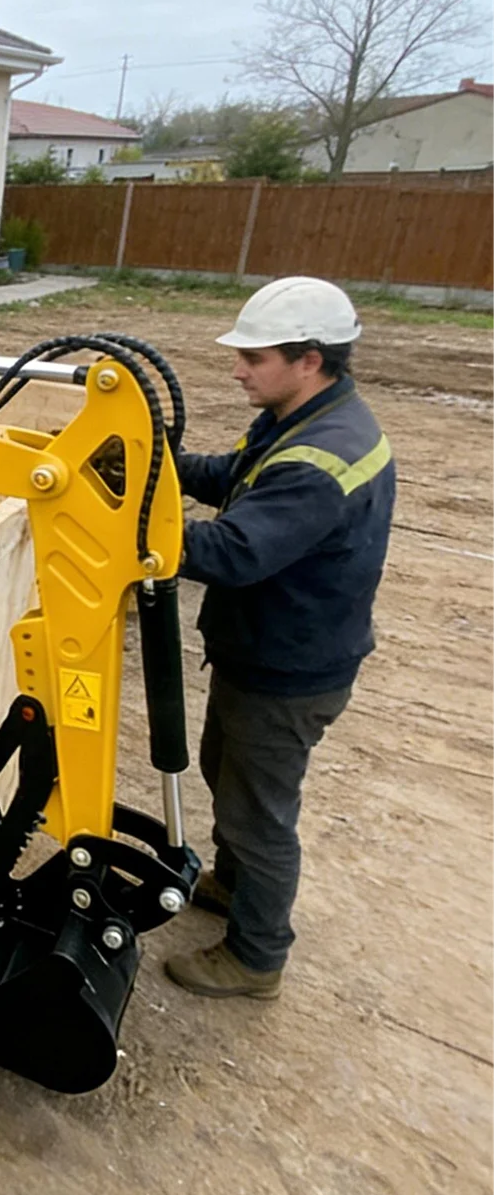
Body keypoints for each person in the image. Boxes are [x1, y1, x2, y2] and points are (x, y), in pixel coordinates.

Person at [164, 276, 395, 1000]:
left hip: (288, 671)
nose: (237, 369)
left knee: (257, 814)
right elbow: (231, 477)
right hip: (262, 651)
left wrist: (131, 523)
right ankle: (234, 887)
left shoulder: (319, 457)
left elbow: (233, 551)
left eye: (254, 357)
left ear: (310, 358)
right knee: (221, 769)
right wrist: (150, 462)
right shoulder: (296, 419)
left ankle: (256, 957)